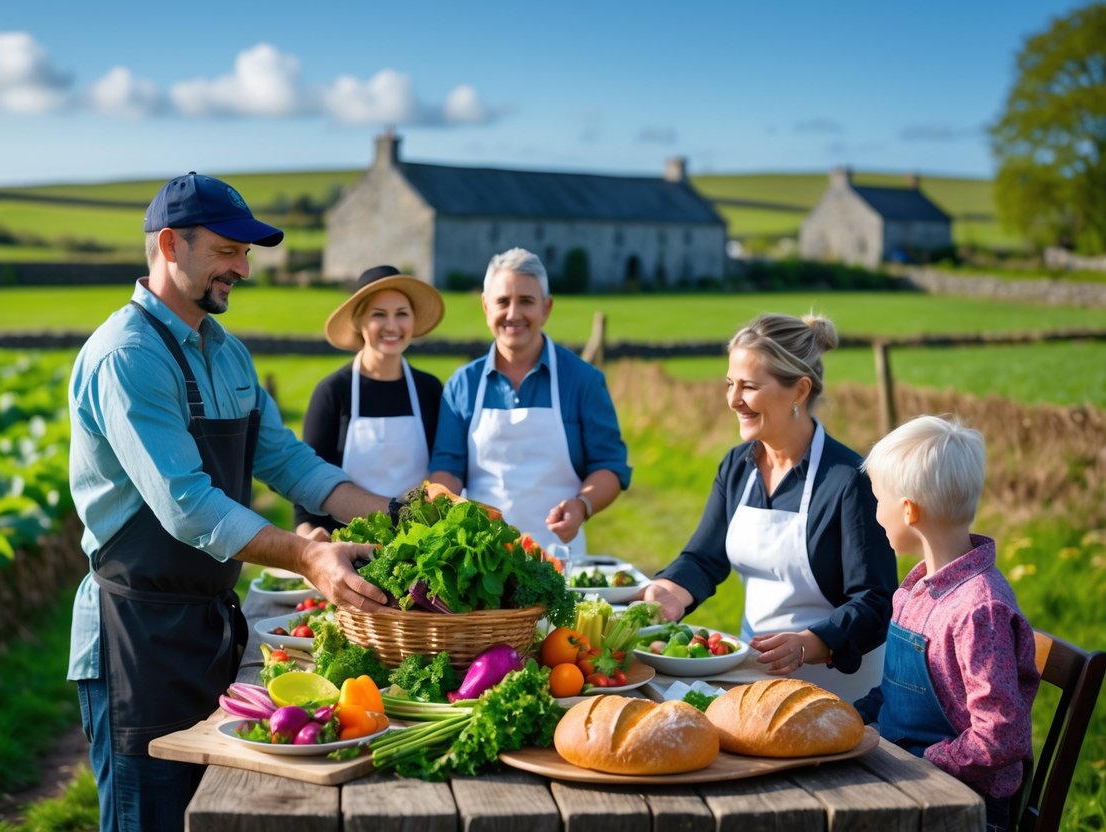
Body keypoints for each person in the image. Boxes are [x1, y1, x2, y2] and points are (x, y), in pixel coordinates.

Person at [66, 172, 391, 832]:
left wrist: (400, 515)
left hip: (209, 626)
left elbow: (288, 462)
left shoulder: (228, 355)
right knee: (146, 819)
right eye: (226, 251)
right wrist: (309, 557)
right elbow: (188, 505)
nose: (243, 267)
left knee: (211, 816)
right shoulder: (127, 356)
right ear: (168, 245)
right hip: (138, 640)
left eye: (246, 253)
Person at [642, 312, 896, 702]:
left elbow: (876, 601)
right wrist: (670, 591)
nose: (733, 400)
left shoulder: (848, 479)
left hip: (836, 693)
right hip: (755, 677)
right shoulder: (737, 465)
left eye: (749, 386)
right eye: (730, 384)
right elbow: (704, 557)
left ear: (798, 391)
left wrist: (809, 644)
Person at [855, 415, 1039, 832]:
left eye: (878, 499)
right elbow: (894, 693)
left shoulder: (979, 610)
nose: (876, 512)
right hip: (907, 778)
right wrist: (846, 717)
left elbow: (1001, 736)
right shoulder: (915, 590)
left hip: (962, 805)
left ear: (908, 510)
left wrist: (924, 764)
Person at [428, 247, 631, 556]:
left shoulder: (582, 381)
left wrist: (582, 505)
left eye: (526, 301)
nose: (513, 314)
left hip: (560, 556)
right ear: (485, 307)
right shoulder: (462, 385)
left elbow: (609, 466)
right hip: (481, 558)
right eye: (502, 302)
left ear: (546, 308)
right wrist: (444, 506)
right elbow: (447, 468)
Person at [295, 265, 445, 535]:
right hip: (347, 548)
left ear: (413, 321)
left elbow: (445, 470)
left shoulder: (429, 390)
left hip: (420, 545)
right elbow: (307, 488)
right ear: (359, 321)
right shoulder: (333, 392)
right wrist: (311, 542)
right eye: (379, 315)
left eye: (402, 314)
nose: (392, 326)